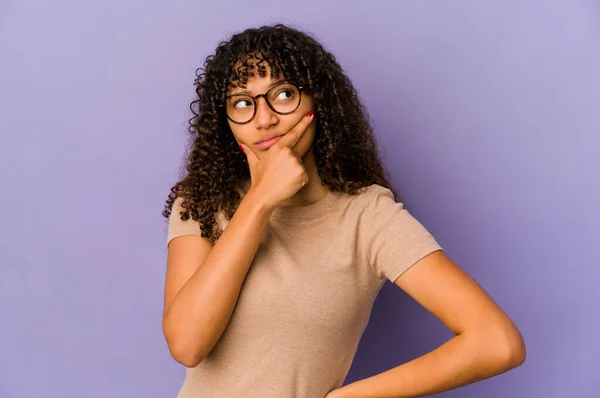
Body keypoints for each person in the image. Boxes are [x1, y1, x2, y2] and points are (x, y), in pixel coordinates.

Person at [161, 23, 525, 398]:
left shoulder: (368, 217)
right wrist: (259, 201)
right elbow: (187, 344)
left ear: (317, 101)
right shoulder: (203, 201)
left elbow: (497, 343)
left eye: (283, 94)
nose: (264, 118)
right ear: (226, 122)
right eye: (242, 102)